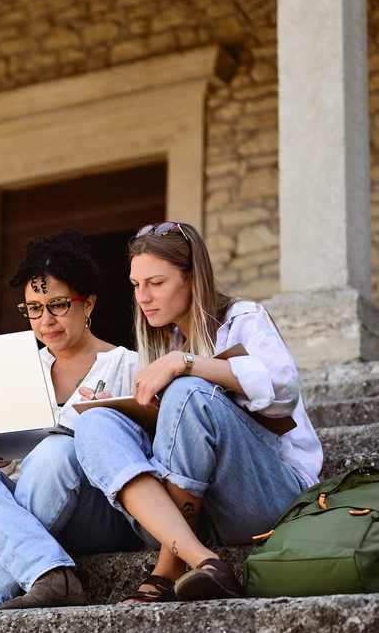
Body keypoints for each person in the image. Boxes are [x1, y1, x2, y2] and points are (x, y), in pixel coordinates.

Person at [73, 221, 322, 604]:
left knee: (188, 391)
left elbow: (282, 389)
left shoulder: (242, 318)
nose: (143, 296)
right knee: (95, 421)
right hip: (203, 515)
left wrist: (186, 364)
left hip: (268, 495)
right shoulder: (163, 342)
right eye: (136, 285)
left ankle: (167, 569)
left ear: (192, 278)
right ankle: (204, 559)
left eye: (156, 283)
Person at [0, 231, 142, 612]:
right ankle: (47, 571)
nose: (46, 320)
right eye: (33, 308)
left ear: (88, 303)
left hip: (95, 514)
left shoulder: (128, 365)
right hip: (21, 518)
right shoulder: (22, 370)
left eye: (58, 305)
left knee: (59, 448)